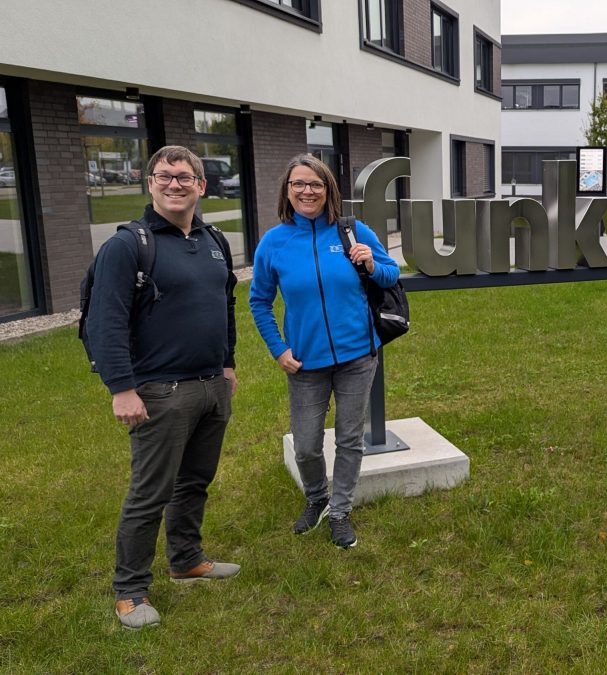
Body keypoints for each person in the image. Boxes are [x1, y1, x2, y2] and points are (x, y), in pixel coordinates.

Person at [87, 146, 240, 630]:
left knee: (194, 481)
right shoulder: (127, 245)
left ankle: (186, 559)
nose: (175, 184)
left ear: (202, 186)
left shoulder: (216, 239)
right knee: (150, 494)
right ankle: (130, 591)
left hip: (212, 385)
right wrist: (121, 387)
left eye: (185, 177)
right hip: (159, 392)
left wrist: (229, 365)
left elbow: (225, 303)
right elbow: (103, 322)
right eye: (164, 176)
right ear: (149, 183)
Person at [249, 154, 399, 550]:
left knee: (350, 439)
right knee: (306, 445)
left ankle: (340, 510)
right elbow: (259, 301)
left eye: (315, 184)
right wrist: (278, 348)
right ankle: (316, 497)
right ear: (287, 191)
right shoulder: (274, 243)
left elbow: (391, 274)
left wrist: (370, 263)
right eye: (298, 184)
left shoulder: (351, 230)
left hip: (357, 356)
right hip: (304, 362)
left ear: (328, 189)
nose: (306, 191)